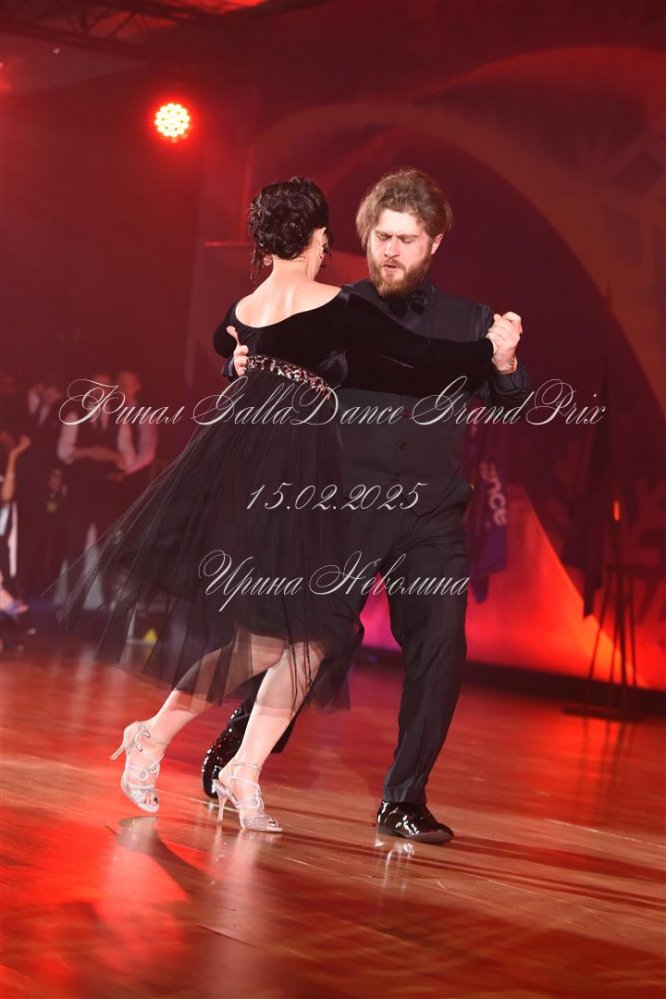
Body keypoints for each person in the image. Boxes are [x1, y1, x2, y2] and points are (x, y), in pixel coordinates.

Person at [56, 177, 499, 832]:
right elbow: (422, 357)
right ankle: (154, 734)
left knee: (309, 636)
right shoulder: (335, 306)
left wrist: (241, 360)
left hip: (256, 473)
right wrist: (491, 349)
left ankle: (242, 767)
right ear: (320, 239)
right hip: (293, 483)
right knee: (270, 637)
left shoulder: (249, 304)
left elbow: (224, 338)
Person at [201, 168, 528, 843]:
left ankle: (404, 798)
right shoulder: (332, 308)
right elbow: (255, 350)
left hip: (431, 516)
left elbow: (511, 407)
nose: (391, 250)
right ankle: (242, 743)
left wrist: (504, 365)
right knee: (312, 638)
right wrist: (236, 364)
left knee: (441, 646)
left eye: (406, 239)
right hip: (344, 503)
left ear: (434, 243)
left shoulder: (472, 321)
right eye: (382, 236)